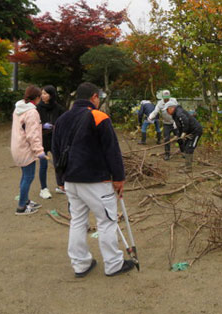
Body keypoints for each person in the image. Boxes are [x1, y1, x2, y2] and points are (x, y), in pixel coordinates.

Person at [52, 82, 134, 277]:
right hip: (96, 180)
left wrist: (60, 179)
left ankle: (80, 264)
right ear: (94, 97)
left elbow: (56, 151)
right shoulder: (98, 116)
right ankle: (114, 264)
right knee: (106, 221)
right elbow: (111, 150)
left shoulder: (62, 119)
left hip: (70, 180)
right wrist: (119, 177)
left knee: (78, 221)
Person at [10, 85, 47, 215]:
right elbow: (32, 134)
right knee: (28, 176)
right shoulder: (32, 112)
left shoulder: (19, 108)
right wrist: (39, 151)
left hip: (18, 147)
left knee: (25, 175)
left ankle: (25, 200)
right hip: (25, 149)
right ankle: (21, 207)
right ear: (37, 97)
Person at [36, 85, 67, 197]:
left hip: (55, 139)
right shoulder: (37, 108)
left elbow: (65, 121)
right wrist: (43, 125)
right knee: (43, 164)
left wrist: (56, 127)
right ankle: (43, 189)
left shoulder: (59, 108)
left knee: (59, 163)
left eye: (45, 93)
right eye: (42, 93)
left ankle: (61, 185)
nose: (43, 96)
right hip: (42, 140)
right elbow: (33, 123)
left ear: (51, 95)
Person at [164, 100, 203, 173]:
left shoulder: (179, 113)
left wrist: (184, 132)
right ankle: (187, 164)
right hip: (189, 131)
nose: (166, 112)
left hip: (195, 131)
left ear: (171, 108)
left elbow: (185, 121)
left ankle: (188, 168)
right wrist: (178, 135)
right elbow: (180, 126)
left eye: (167, 109)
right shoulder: (175, 114)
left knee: (190, 147)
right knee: (185, 146)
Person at [148, 90, 178, 160]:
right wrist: (150, 116)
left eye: (167, 98)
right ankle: (167, 154)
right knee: (166, 139)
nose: (166, 99)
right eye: (165, 98)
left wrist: (176, 121)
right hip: (166, 124)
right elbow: (155, 111)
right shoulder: (160, 103)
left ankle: (183, 152)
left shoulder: (174, 101)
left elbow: (178, 110)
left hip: (175, 122)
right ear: (163, 97)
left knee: (179, 137)